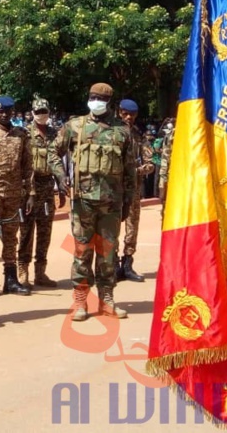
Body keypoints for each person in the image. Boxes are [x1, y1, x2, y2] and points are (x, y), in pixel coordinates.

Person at [53, 83, 135, 321]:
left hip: (111, 204)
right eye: (92, 97)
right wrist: (61, 177)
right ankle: (80, 301)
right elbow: (52, 152)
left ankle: (107, 298)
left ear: (109, 101)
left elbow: (130, 171)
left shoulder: (122, 131)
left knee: (108, 252)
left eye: (100, 98)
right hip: (83, 203)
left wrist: (128, 201)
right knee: (81, 251)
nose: (95, 101)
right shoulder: (75, 126)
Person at [0, 96, 32, 299]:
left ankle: (11, 279)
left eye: (8, 111)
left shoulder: (21, 135)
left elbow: (28, 167)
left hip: (14, 194)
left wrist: (30, 193)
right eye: (0, 111)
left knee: (11, 237)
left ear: (13, 112)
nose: (4, 114)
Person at [18, 96, 67, 289]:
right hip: (28, 189)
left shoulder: (55, 134)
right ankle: (23, 272)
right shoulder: (25, 134)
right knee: (26, 231)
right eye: (38, 112)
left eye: (44, 112)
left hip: (47, 188)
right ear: (32, 113)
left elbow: (57, 162)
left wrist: (60, 188)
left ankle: (41, 273)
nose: (41, 115)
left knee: (45, 232)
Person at [116, 99, 154, 283]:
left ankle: (128, 264)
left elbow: (150, 164)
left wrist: (134, 171)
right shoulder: (110, 133)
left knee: (132, 228)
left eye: (132, 114)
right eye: (125, 113)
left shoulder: (139, 137)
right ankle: (113, 265)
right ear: (119, 112)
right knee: (112, 228)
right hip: (113, 190)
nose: (128, 117)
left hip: (133, 190)